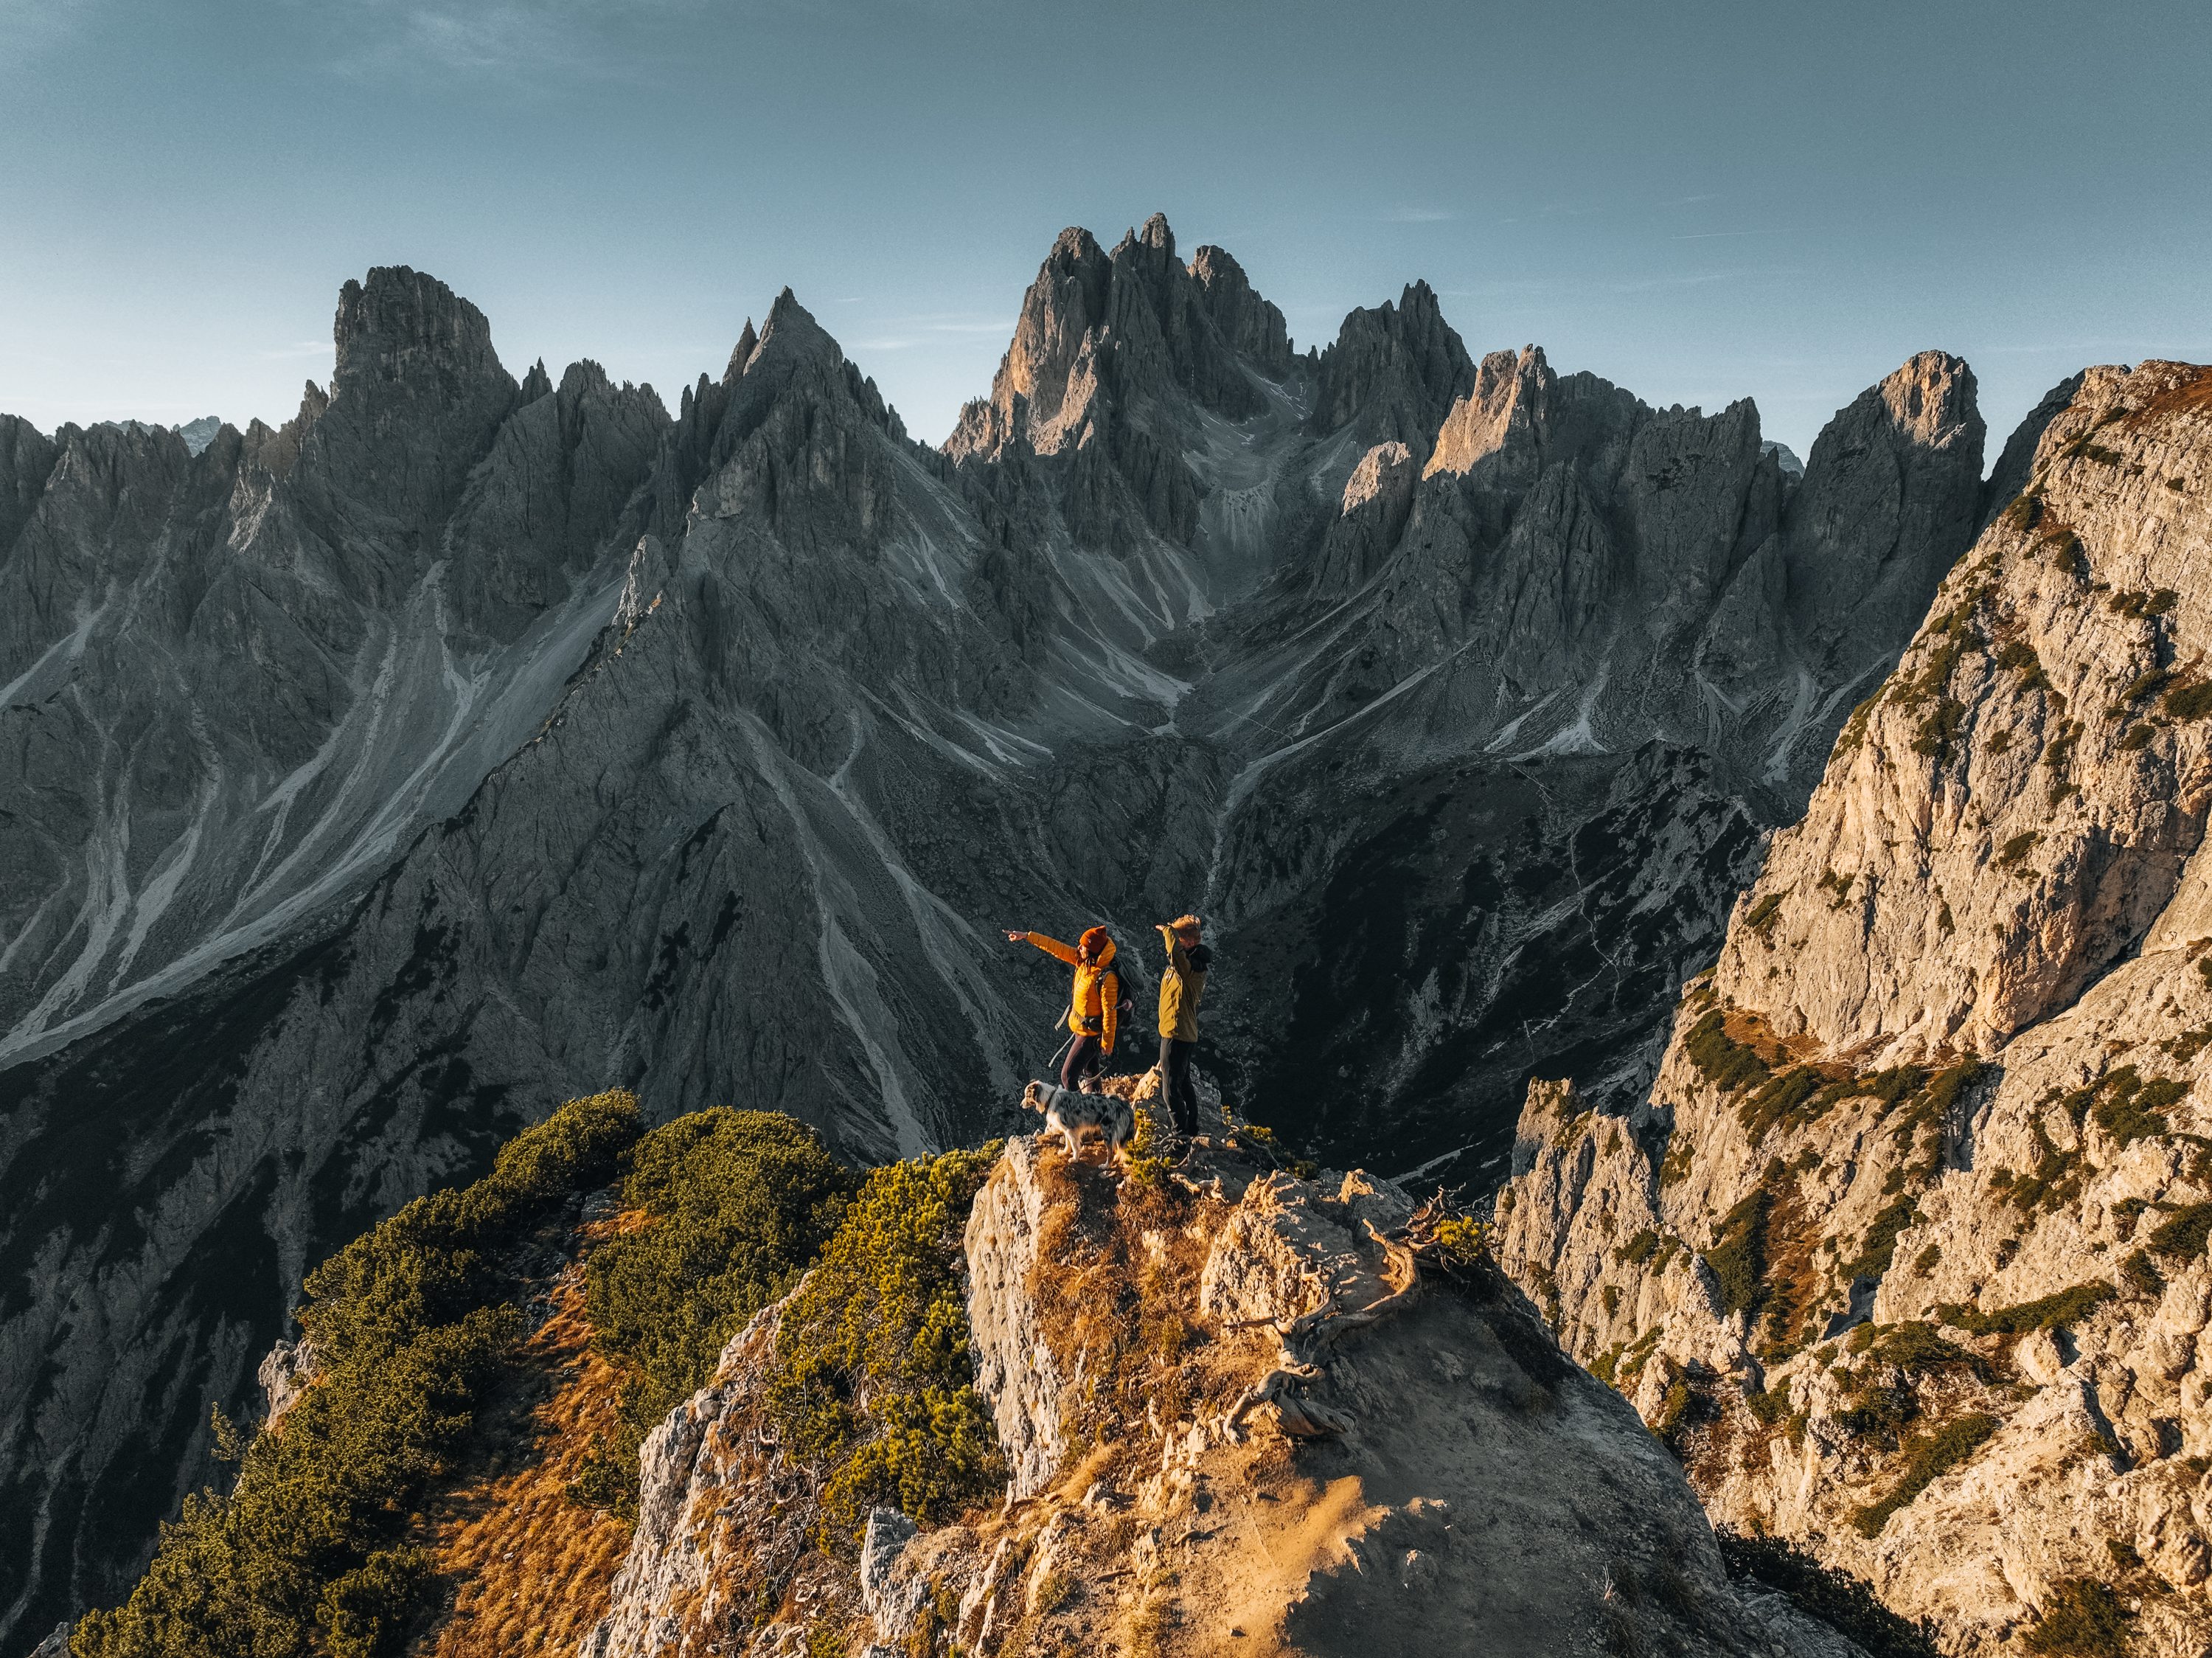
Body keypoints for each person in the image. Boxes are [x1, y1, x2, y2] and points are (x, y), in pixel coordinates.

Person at [1008, 924, 1121, 1092]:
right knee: (1090, 1071)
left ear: (1092, 950)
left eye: (1083, 946)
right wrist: (1027, 935)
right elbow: (1056, 947)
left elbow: (1110, 1013)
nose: (1079, 947)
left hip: (1090, 1034)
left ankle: (1078, 1115)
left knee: (1067, 1076)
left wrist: (1107, 1043)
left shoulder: (1107, 977)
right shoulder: (1084, 962)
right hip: (1081, 1027)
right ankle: (1098, 1109)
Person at [1154, 914, 1211, 1139]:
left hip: (1176, 1034)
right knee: (1183, 1082)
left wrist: (1168, 932)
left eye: (1179, 939)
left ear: (1188, 942)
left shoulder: (1191, 969)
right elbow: (1175, 957)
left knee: (1170, 1090)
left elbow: (1176, 955)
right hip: (1179, 1032)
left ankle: (1180, 1137)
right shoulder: (1187, 964)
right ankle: (1192, 1129)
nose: (1176, 944)